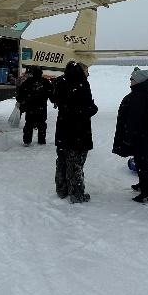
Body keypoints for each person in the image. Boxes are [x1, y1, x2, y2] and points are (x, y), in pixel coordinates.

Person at [50, 60, 98, 203]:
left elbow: (57, 100)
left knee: (62, 160)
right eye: (85, 70)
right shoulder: (82, 85)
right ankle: (77, 194)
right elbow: (86, 108)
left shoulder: (59, 83)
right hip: (78, 131)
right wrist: (92, 108)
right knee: (76, 163)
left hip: (63, 129)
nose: (87, 74)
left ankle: (62, 189)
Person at [113, 67, 148, 203]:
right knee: (143, 163)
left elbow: (135, 120)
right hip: (147, 136)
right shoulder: (146, 92)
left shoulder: (140, 95)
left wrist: (129, 137)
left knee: (144, 164)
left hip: (142, 137)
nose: (130, 80)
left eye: (132, 79)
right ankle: (143, 186)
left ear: (139, 81)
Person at [16, 65, 52, 146]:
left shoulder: (27, 82)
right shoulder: (45, 82)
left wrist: (21, 100)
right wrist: (54, 100)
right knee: (42, 123)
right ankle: (41, 140)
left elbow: (20, 95)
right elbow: (51, 93)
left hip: (30, 107)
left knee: (29, 124)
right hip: (42, 107)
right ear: (41, 73)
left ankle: (27, 141)